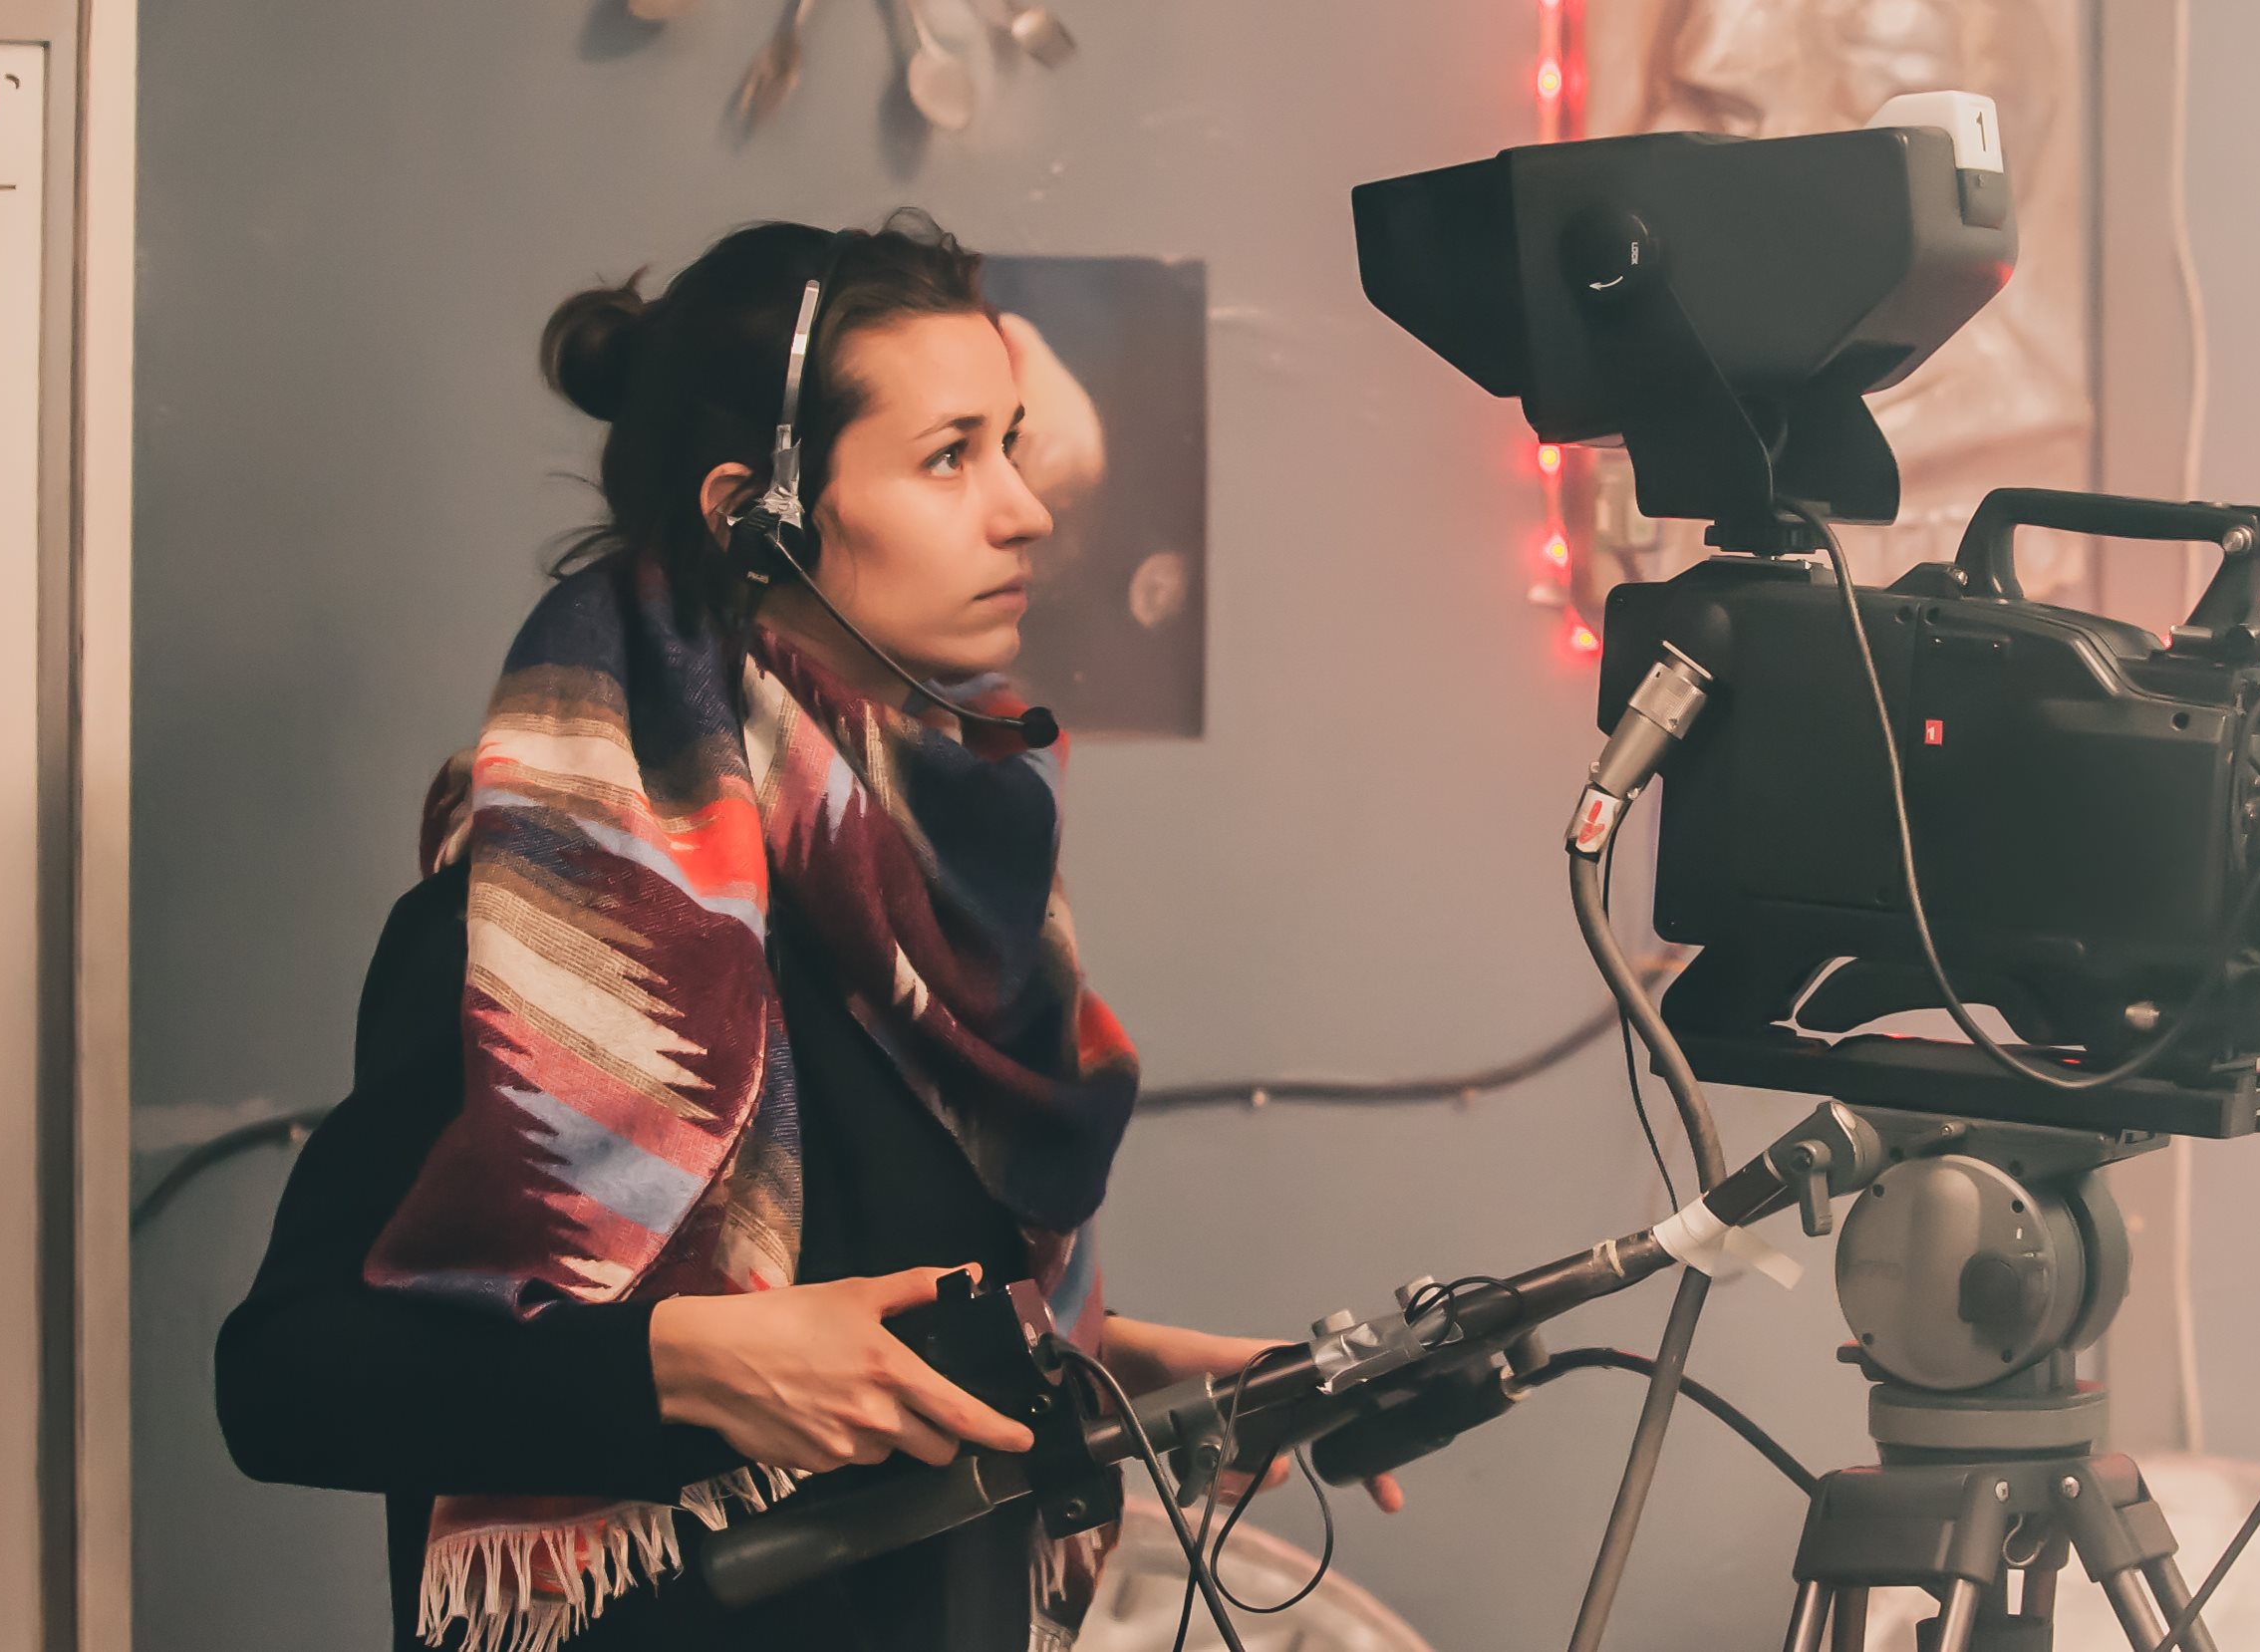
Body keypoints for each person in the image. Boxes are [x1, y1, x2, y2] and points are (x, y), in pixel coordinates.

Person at [214, 212, 1388, 1652]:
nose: (1021, 509)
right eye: (952, 455)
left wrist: (1133, 1376)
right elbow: (284, 1378)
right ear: (747, 513)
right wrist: (680, 1362)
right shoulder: (540, 927)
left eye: (1013, 445)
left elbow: (888, 1310)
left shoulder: (940, 905)